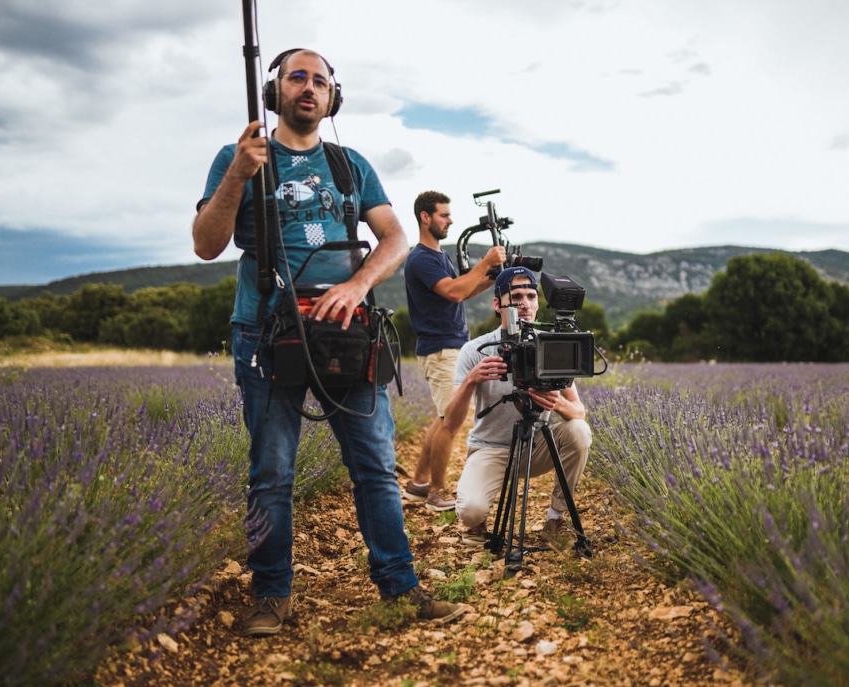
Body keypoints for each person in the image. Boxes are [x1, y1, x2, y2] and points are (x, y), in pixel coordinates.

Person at [193, 48, 463, 636]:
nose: (309, 88)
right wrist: (240, 173)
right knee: (271, 472)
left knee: (373, 465)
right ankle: (271, 596)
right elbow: (206, 244)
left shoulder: (349, 165)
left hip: (347, 331)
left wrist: (358, 282)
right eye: (297, 78)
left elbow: (393, 238)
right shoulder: (238, 158)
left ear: (332, 97)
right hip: (265, 333)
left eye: (320, 81)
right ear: (277, 92)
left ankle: (401, 585)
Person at [442, 266, 592, 546]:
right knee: (470, 512)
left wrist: (556, 402)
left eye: (532, 296)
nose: (525, 303)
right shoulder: (475, 350)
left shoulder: (551, 344)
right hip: (491, 447)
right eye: (517, 296)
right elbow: (451, 421)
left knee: (579, 431)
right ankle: (478, 515)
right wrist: (471, 381)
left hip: (536, 445)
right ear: (498, 304)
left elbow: (578, 412)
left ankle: (555, 519)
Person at [402, 191, 506, 511]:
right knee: (451, 419)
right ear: (425, 217)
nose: (450, 221)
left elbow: (463, 292)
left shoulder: (438, 256)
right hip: (441, 347)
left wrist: (491, 279)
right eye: (444, 215)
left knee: (444, 415)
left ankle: (419, 483)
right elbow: (453, 291)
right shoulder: (421, 257)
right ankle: (437, 492)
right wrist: (485, 261)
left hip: (452, 345)